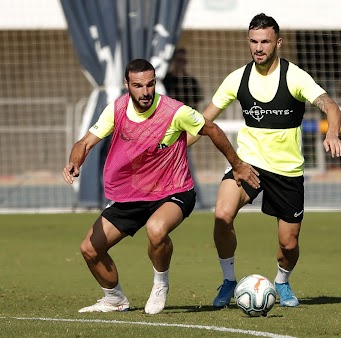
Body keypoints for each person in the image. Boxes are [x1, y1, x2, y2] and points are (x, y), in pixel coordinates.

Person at [62, 59, 259, 315]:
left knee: (156, 229)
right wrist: (74, 162)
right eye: (138, 86)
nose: (145, 91)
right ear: (127, 85)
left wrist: (238, 165)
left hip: (174, 189)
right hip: (133, 194)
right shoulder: (117, 110)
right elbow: (84, 143)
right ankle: (114, 299)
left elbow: (212, 129)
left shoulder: (174, 111)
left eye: (150, 84)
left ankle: (160, 284)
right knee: (90, 249)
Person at [189, 13, 341, 309]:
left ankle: (282, 281)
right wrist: (171, 147)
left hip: (286, 171)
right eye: (254, 42)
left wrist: (333, 133)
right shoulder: (237, 79)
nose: (259, 48)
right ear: (248, 42)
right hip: (249, 164)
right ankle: (229, 280)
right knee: (222, 214)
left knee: (289, 243)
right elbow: (203, 121)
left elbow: (330, 106)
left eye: (265, 42)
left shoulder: (295, 76)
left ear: (278, 43)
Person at [163, 47, 205, 209]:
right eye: (179, 60)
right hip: (166, 130)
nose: (182, 64)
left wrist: (191, 129)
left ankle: (195, 199)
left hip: (184, 131)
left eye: (184, 60)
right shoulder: (165, 81)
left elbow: (196, 107)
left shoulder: (191, 82)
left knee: (185, 164)